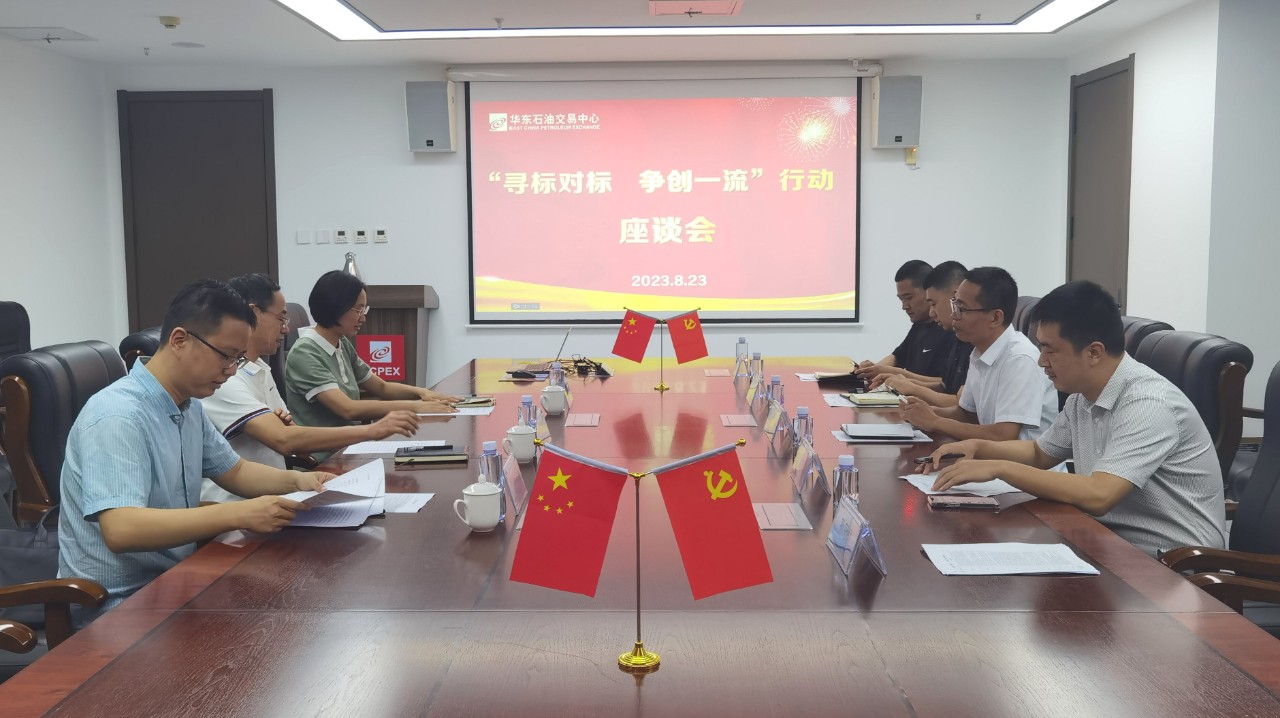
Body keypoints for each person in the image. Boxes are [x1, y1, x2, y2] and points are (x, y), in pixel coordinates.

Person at [58, 280, 334, 618]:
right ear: (179, 340)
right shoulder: (118, 415)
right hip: (119, 608)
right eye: (226, 356)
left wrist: (299, 481)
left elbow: (236, 471)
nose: (230, 370)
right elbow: (122, 528)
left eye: (237, 359)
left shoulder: (188, 407)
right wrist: (240, 514)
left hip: (176, 583)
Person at [924, 280, 1227, 557]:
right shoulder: (1084, 396)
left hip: (1174, 564)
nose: (1041, 361)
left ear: (1094, 352)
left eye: (1049, 350)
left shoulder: (1148, 404)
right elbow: (1040, 452)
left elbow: (1099, 495)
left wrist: (1000, 468)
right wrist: (977, 447)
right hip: (1109, 543)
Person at [200, 273, 421, 502]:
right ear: (254, 313)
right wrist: (372, 431)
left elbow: (289, 436)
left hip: (276, 496)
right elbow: (284, 439)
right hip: (239, 508)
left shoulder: (260, 369)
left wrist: (293, 440)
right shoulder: (226, 379)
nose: (286, 330)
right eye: (281, 319)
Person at [284, 270, 459, 459]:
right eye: (357, 310)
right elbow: (348, 409)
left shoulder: (341, 343)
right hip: (326, 457)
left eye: (364, 310)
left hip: (352, 448)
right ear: (335, 306)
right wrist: (416, 407)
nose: (363, 317)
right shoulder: (305, 353)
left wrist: (422, 393)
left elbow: (382, 387)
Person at [898, 267, 1057, 442]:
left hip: (1016, 458)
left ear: (995, 318)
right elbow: (968, 414)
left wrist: (935, 422)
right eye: (954, 305)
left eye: (962, 309)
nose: (954, 315)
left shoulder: (1019, 359)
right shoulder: (979, 352)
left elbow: (1004, 434)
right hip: (988, 454)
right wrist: (925, 412)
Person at [877, 261, 970, 407]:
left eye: (933, 303)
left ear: (956, 298)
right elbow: (946, 388)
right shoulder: (957, 337)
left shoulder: (967, 340)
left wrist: (911, 386)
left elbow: (962, 407)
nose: (932, 313)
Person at [856, 260, 951, 384]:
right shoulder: (919, 325)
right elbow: (897, 357)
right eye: (901, 299)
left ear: (928, 292)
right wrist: (871, 371)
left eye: (909, 298)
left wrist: (900, 375)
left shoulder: (952, 330)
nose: (904, 306)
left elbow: (948, 385)